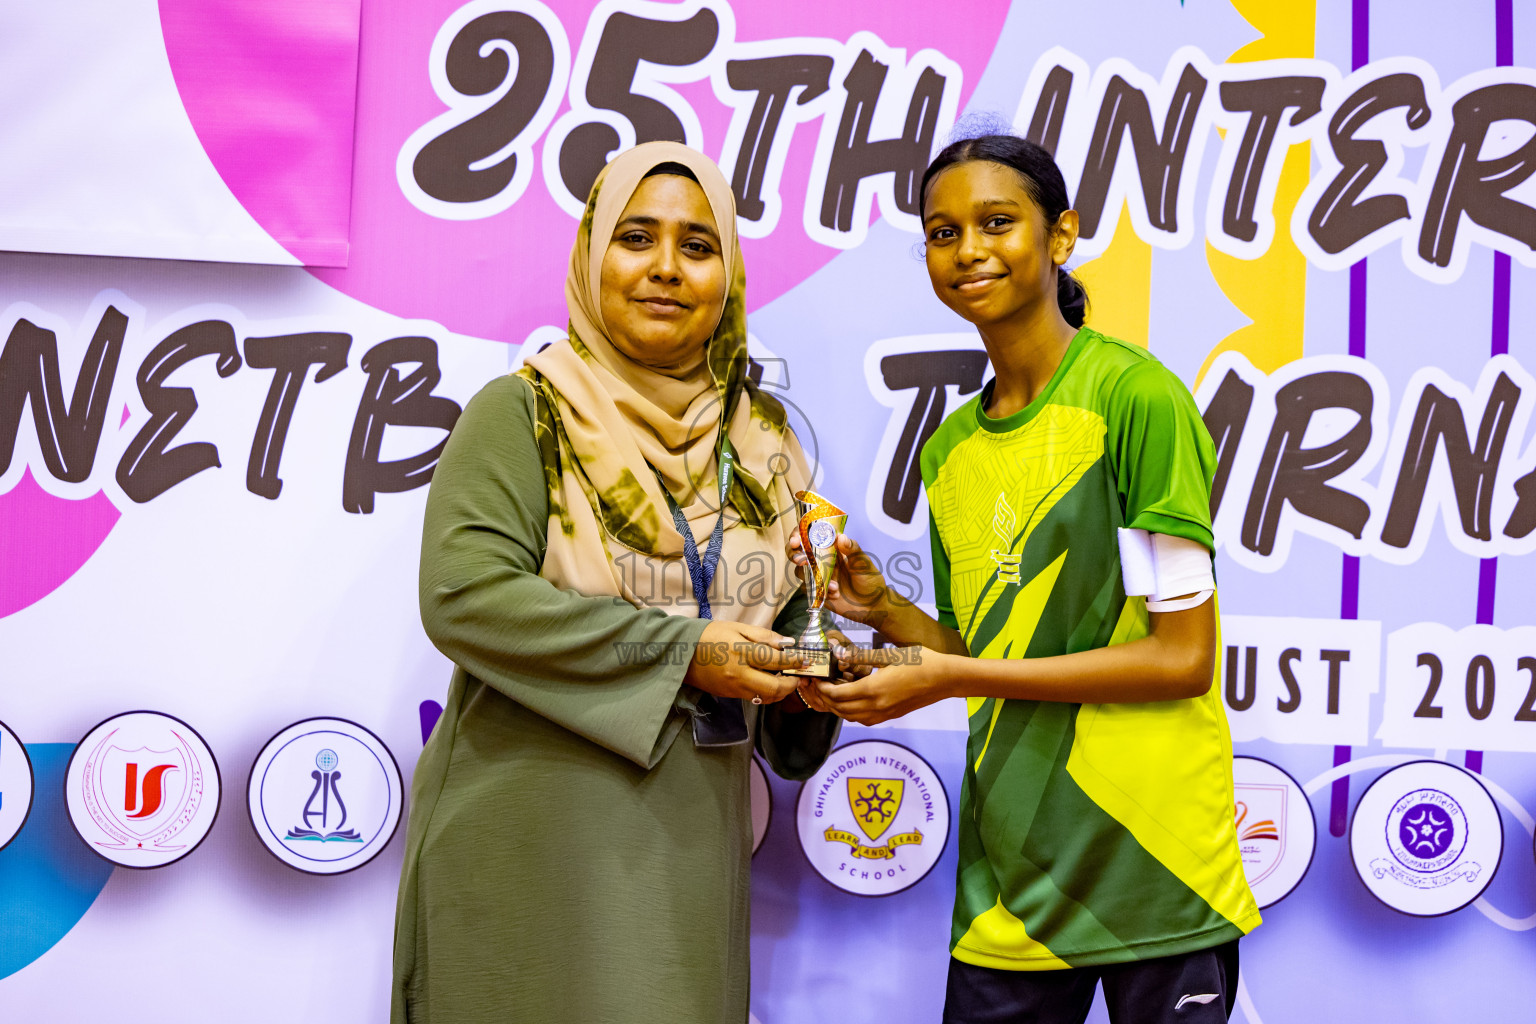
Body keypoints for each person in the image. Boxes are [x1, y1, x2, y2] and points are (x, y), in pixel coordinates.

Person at [796, 134, 1261, 1023]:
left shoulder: (1136, 401)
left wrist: (955, 674)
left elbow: (1181, 660)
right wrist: (886, 611)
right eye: (942, 231)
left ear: (1061, 236)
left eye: (997, 222)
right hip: (1012, 881)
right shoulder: (950, 451)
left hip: (1154, 869)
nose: (968, 249)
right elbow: (988, 656)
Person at [393, 141, 839, 1024]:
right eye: (637, 238)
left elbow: (783, 634)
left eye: (699, 245)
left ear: (730, 276)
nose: (666, 269)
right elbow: (464, 595)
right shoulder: (525, 413)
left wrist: (820, 667)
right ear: (594, 257)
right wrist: (688, 651)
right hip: (530, 832)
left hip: (689, 845)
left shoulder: (764, 445)